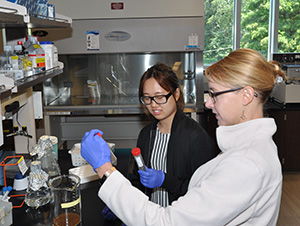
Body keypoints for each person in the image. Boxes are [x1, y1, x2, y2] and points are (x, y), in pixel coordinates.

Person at [81, 48, 286, 226]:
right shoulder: (247, 149)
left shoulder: (246, 164)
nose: (207, 103)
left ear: (246, 96)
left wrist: (105, 170)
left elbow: (167, 222)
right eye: (147, 98)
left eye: (214, 93)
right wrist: (122, 199)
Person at [101, 63, 216, 220]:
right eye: (147, 98)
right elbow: (136, 179)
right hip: (149, 217)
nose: (153, 105)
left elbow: (206, 193)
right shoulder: (146, 134)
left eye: (160, 97)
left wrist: (166, 181)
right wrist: (121, 202)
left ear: (176, 94)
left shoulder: (195, 137)